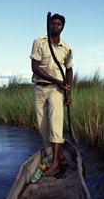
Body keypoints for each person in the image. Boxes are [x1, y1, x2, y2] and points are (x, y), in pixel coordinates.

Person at [30, 13, 73, 177]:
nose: (55, 26)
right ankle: (60, 157)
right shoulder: (39, 42)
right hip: (40, 89)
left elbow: (69, 69)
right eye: (53, 24)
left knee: (55, 123)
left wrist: (68, 92)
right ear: (48, 24)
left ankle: (54, 163)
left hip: (56, 90)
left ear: (63, 27)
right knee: (42, 126)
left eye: (59, 24)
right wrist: (56, 79)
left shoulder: (67, 49)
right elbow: (34, 67)